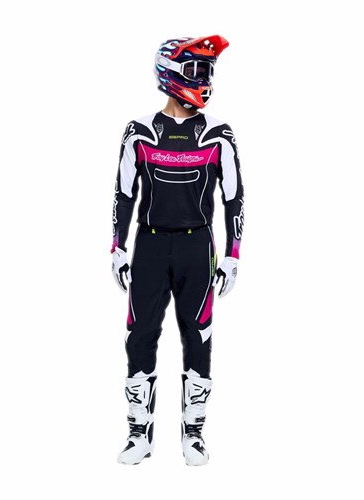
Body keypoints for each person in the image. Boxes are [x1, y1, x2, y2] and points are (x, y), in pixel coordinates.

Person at [111, 35, 244, 466]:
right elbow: (124, 193)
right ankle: (139, 434)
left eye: (208, 70)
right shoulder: (139, 131)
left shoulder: (219, 134)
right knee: (140, 338)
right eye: (196, 70)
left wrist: (233, 254)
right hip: (149, 245)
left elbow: (235, 197)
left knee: (198, 338)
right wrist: (117, 247)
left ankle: (194, 435)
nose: (204, 79)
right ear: (170, 73)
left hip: (197, 248)